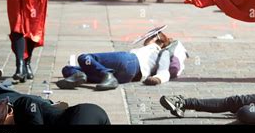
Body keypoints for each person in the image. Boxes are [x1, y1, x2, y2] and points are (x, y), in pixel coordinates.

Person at [57, 31, 188, 91]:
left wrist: (159, 78)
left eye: (152, 36)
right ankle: (87, 75)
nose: (147, 38)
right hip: (129, 76)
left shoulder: (155, 48)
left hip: (130, 60)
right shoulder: (155, 53)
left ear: (159, 41)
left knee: (84, 58)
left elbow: (167, 69)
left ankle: (105, 74)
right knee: (67, 69)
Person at [0, 95, 110, 125]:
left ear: (10, 111)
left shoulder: (23, 104)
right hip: (91, 113)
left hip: (79, 115)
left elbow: (34, 118)